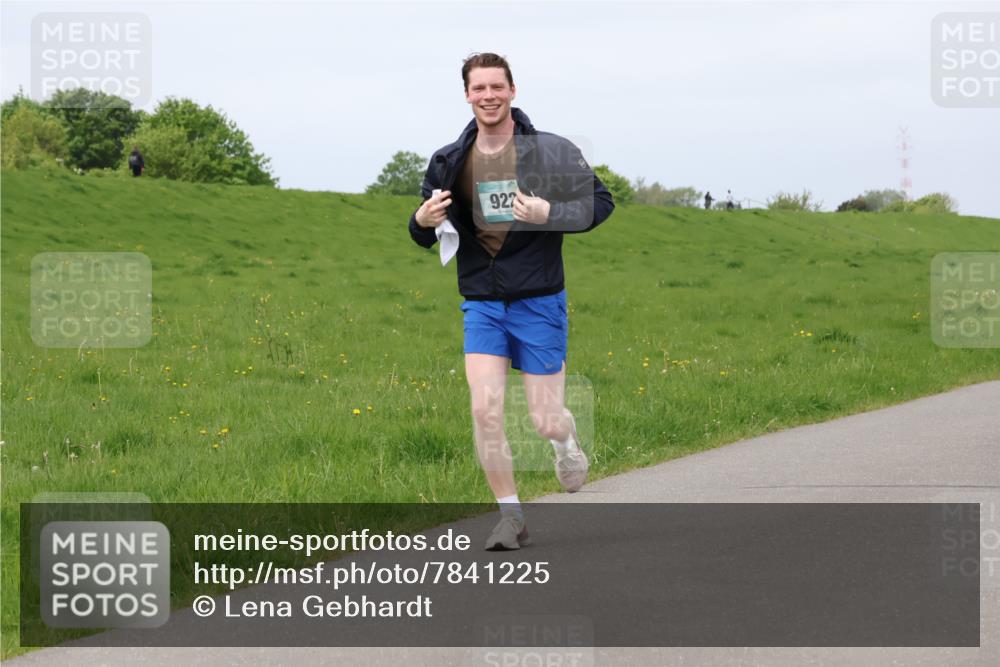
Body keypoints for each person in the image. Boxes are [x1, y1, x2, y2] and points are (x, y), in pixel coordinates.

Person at [408, 53, 615, 550]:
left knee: (545, 418)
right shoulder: (447, 159)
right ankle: (511, 517)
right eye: (478, 88)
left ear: (513, 90)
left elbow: (601, 204)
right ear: (467, 95)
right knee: (485, 409)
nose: (488, 96)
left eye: (496, 86)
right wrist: (421, 220)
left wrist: (550, 212)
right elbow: (422, 233)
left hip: (539, 299)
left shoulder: (551, 151)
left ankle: (565, 444)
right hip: (481, 300)